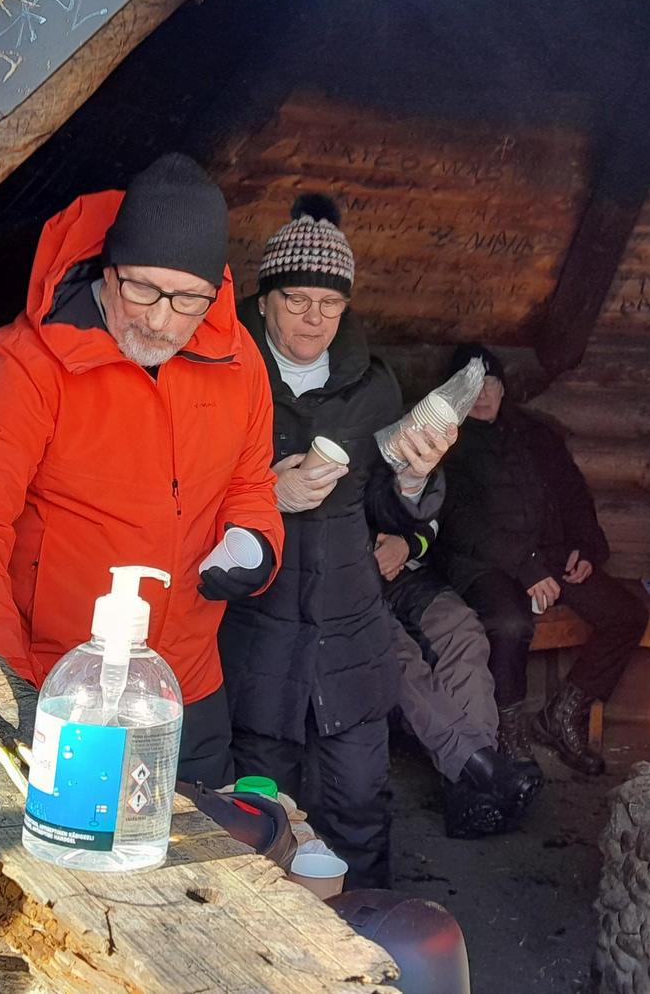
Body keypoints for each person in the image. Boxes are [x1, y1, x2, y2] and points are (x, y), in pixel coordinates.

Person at [0, 153, 285, 788]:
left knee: (202, 842)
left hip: (187, 686)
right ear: (108, 268)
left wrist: (256, 542)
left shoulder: (237, 360)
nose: (161, 320)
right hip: (59, 684)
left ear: (215, 291)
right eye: (142, 289)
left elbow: (250, 484)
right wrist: (4, 685)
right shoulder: (31, 362)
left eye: (189, 299)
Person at [217, 194, 454, 888]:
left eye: (330, 303)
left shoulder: (373, 385)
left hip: (350, 636)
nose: (314, 318)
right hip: (255, 640)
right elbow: (179, 491)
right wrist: (265, 493)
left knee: (359, 810)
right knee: (261, 821)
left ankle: (367, 941)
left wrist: (413, 480)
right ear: (264, 300)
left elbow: (381, 503)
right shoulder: (224, 373)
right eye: (296, 300)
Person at [435, 343, 649, 775]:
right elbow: (461, 523)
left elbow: (572, 493)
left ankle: (561, 715)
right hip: (485, 563)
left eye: (490, 382)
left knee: (626, 614)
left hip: (547, 556)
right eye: (470, 385)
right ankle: (509, 731)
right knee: (509, 624)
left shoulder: (535, 434)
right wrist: (525, 564)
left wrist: (586, 547)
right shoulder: (446, 444)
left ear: (503, 387)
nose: (482, 394)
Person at [377, 535, 541, 837]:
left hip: (407, 574)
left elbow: (434, 519)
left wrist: (407, 545)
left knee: (463, 632)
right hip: (347, 584)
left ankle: (471, 789)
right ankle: (484, 768)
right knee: (398, 658)